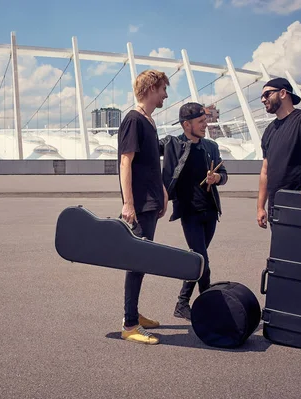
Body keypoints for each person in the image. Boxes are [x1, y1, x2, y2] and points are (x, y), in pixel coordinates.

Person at [159, 102, 228, 320]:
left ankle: (182, 304)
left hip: (210, 212)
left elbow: (224, 174)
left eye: (206, 120)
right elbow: (145, 149)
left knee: (197, 260)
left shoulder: (211, 147)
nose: (205, 125)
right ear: (186, 124)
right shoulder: (173, 144)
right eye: (201, 122)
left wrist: (216, 178)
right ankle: (208, 309)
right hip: (189, 213)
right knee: (202, 262)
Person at [117, 69, 169, 345]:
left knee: (142, 260)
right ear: (150, 88)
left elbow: (149, 163)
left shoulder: (148, 121)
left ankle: (133, 313)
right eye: (163, 89)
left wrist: (160, 191)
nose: (165, 94)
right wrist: (128, 204)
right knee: (136, 262)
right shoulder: (133, 120)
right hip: (137, 204)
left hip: (150, 200)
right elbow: (126, 162)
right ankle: (129, 324)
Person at [257, 77, 301, 229]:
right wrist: (261, 207)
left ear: (283, 93)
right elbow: (265, 171)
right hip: (277, 207)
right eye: (261, 96)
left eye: (267, 94)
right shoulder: (270, 130)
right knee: (280, 252)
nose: (263, 99)